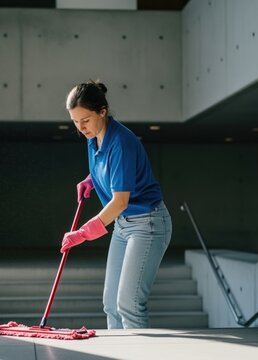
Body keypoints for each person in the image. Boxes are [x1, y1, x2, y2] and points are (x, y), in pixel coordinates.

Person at [60, 80, 172, 329]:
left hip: (148, 223)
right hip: (124, 225)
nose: (81, 128)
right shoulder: (94, 138)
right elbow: (111, 169)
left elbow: (120, 201)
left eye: (85, 120)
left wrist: (82, 233)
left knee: (129, 305)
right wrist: (91, 180)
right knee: (111, 304)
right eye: (75, 122)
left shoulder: (122, 141)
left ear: (103, 111)